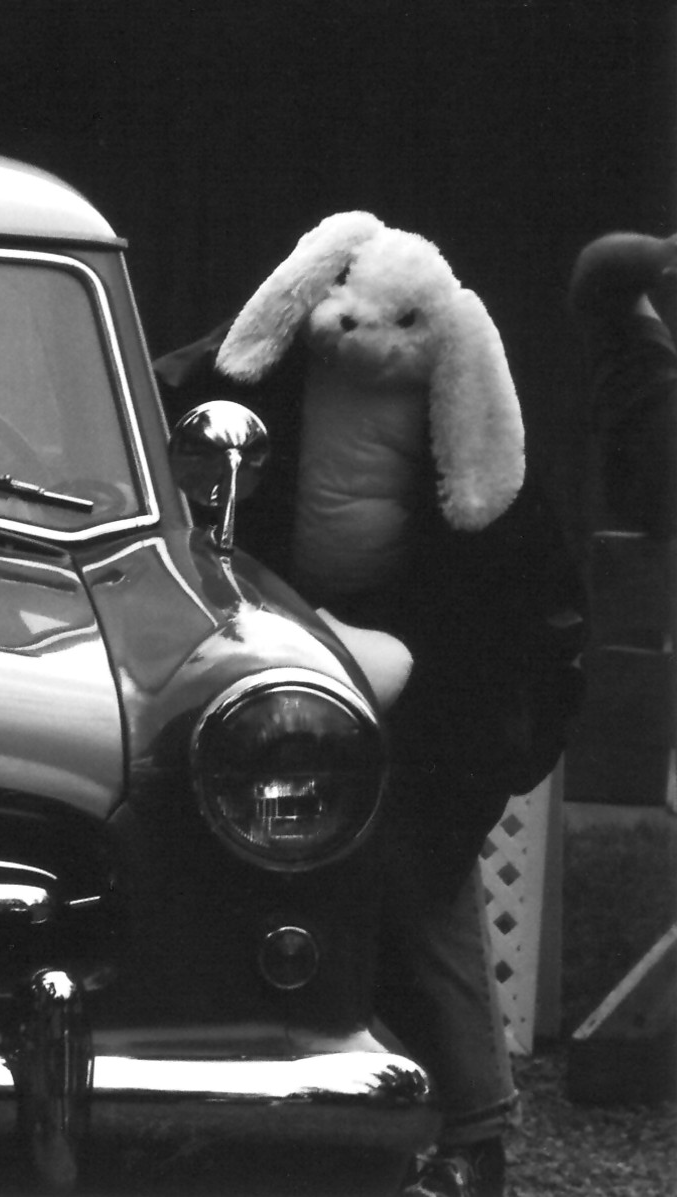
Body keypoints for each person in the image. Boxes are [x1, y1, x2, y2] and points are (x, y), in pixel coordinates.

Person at [156, 317, 587, 1197]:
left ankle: (469, 1128)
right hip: (278, 646)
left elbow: (531, 603)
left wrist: (495, 738)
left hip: (422, 689)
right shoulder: (257, 384)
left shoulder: (471, 440)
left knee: (421, 872)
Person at [567, 231, 676, 539]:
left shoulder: (650, 389)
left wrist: (666, 255)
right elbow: (599, 272)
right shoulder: (654, 389)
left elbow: (597, 271)